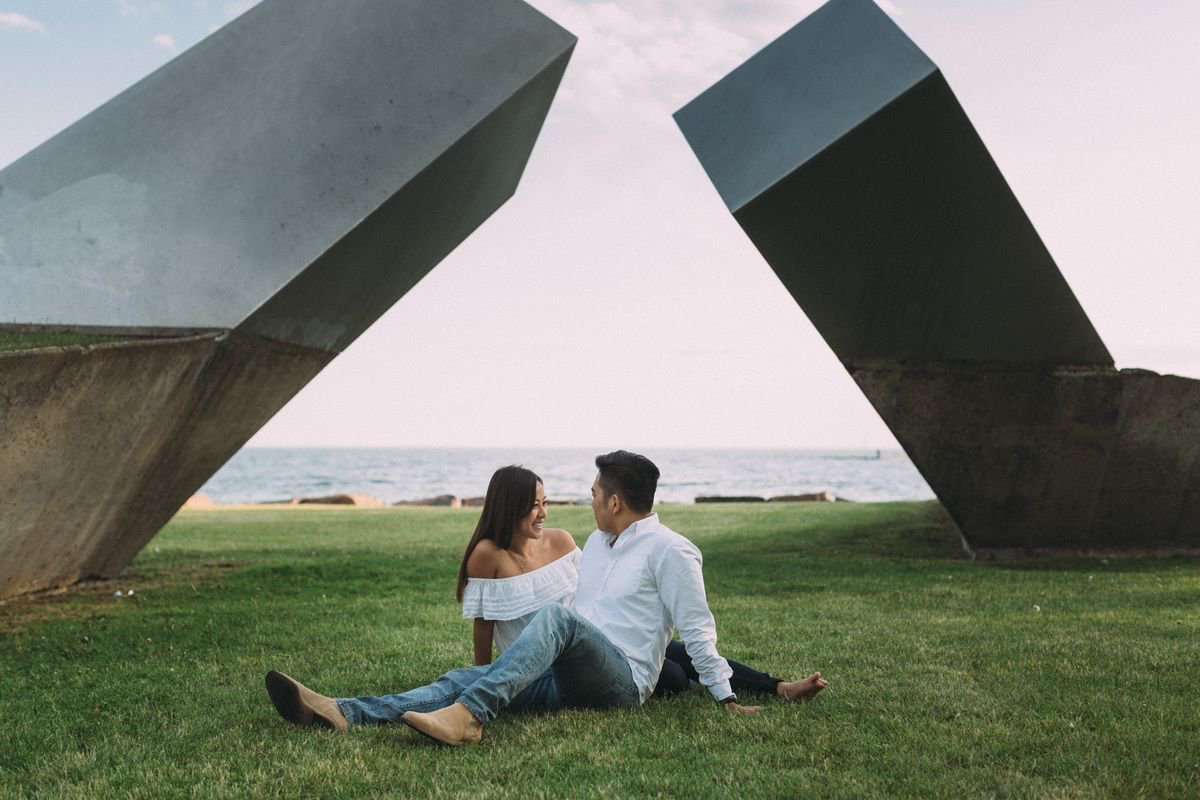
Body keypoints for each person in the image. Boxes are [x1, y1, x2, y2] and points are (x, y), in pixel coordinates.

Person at [265, 450, 827, 745]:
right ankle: (342, 712)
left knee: (557, 619)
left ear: (614, 501)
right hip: (570, 673)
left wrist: (727, 699)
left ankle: (469, 719)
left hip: (623, 685)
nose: (587, 500)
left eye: (593, 493)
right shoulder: (598, 544)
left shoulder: (672, 551)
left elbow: (697, 632)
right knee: (462, 677)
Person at [458, 464, 826, 701]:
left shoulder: (563, 541)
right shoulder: (487, 555)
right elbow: (483, 624)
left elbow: (595, 594)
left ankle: (776, 686)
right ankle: (718, 684)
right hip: (561, 663)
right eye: (534, 504)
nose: (544, 512)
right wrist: (483, 674)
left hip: (597, 642)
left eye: (545, 502)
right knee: (674, 677)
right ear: (509, 506)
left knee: (672, 649)